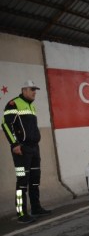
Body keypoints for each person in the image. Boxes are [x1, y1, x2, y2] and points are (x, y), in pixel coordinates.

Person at [1, 80, 52, 224]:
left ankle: (36, 208)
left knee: (35, 181)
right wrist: (14, 144)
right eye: (32, 89)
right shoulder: (13, 104)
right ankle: (21, 213)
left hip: (34, 148)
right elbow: (5, 124)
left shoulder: (31, 106)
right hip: (21, 150)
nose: (35, 92)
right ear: (24, 90)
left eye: (35, 89)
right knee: (22, 182)